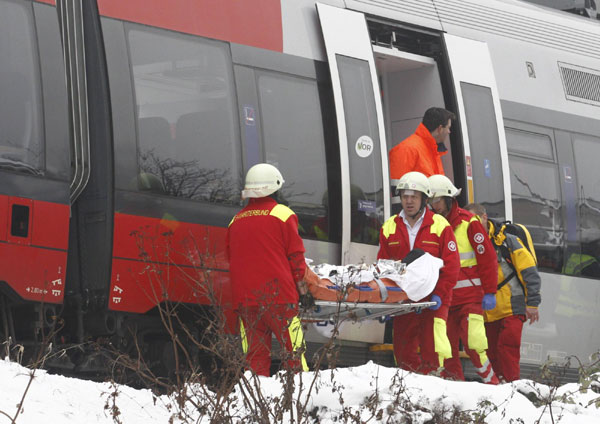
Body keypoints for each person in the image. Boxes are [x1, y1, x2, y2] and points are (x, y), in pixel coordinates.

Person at [226, 163, 314, 376]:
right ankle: (298, 402)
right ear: (275, 189)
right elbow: (295, 258)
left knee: (254, 359)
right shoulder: (282, 214)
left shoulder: (235, 221)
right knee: (294, 354)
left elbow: (232, 260)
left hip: (246, 303)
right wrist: (303, 291)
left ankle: (257, 405)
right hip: (280, 300)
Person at [378, 171, 460, 374]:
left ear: (424, 199)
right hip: (403, 301)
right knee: (404, 352)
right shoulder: (389, 227)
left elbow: (451, 267)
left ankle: (436, 393)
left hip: (433, 300)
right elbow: (383, 266)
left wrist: (439, 294)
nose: (408, 201)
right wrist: (387, 300)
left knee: (434, 350)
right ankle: (408, 394)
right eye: (405, 196)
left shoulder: (441, 226)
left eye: (414, 196)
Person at [428, 175, 499, 384]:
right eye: (431, 202)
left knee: (474, 344)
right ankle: (455, 392)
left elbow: (487, 259)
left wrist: (490, 292)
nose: (434, 206)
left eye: (438, 200)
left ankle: (493, 385)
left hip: (470, 299)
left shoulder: (470, 223)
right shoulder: (433, 225)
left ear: (449, 199)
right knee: (445, 348)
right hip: (445, 299)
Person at [464, 203, 541, 382]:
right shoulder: (469, 243)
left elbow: (530, 272)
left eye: (473, 220)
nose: (470, 225)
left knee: (507, 348)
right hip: (488, 311)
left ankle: (511, 387)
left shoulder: (506, 241)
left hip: (512, 306)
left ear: (484, 218)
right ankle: (497, 388)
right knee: (490, 351)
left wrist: (532, 304)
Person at [388, 108, 456, 213]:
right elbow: (396, 194)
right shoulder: (408, 149)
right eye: (448, 128)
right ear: (439, 129)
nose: (449, 131)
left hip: (426, 220)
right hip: (414, 222)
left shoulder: (432, 150)